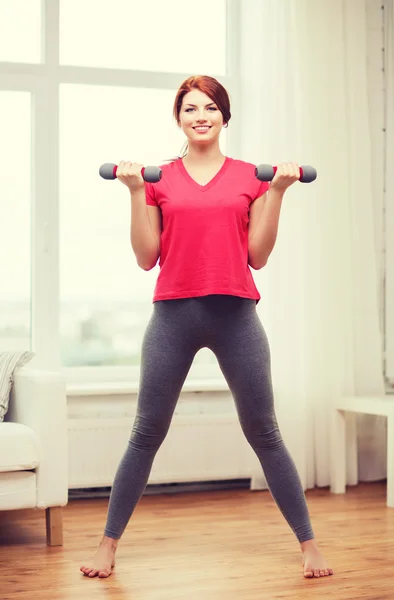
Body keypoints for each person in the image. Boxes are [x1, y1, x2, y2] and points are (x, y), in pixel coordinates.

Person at [80, 75, 333, 580]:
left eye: (211, 107)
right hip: (173, 316)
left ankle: (309, 545)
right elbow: (145, 257)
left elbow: (257, 256)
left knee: (265, 431)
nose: (201, 115)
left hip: (236, 316)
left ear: (224, 116)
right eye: (191, 107)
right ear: (179, 118)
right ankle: (107, 546)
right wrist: (134, 190)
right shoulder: (159, 179)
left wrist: (279, 189)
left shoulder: (250, 177)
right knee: (146, 432)